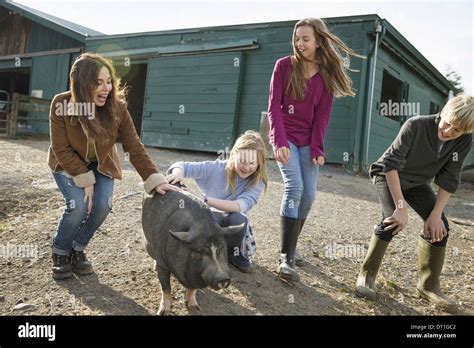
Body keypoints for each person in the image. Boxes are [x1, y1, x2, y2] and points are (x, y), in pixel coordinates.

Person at [48, 53, 178, 280]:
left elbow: (134, 146)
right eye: (98, 83)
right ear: (81, 83)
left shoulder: (117, 108)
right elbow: (61, 147)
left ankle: (77, 249)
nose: (106, 88)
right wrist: (84, 178)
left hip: (102, 164)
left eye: (108, 81)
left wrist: (155, 178)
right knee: (78, 206)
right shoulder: (61, 104)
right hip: (66, 163)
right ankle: (60, 251)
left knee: (102, 206)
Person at [355, 95, 473, 313]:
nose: (448, 131)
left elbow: (449, 177)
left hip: (417, 183)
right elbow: (391, 165)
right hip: (388, 174)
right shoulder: (416, 125)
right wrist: (401, 207)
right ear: (444, 111)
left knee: (440, 229)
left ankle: (428, 286)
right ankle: (367, 275)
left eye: (456, 130)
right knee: (391, 221)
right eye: (447, 123)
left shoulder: (464, 141)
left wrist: (436, 214)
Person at [267, 18, 363, 281]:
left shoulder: (325, 76)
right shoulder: (283, 66)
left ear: (319, 41)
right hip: (286, 138)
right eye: (297, 38)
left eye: (305, 39)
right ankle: (285, 258)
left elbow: (322, 116)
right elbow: (274, 107)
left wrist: (318, 148)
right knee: (294, 188)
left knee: (309, 196)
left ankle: (292, 245)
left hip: (308, 142)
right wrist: (279, 141)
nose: (299, 43)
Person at [166, 130, 268, 273]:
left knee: (238, 219)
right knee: (211, 217)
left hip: (234, 219)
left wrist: (204, 199)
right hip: (210, 216)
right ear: (233, 156)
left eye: (252, 163)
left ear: (259, 163)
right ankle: (204, 255)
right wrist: (177, 174)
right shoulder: (217, 168)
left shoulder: (258, 181)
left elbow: (239, 206)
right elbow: (181, 165)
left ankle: (234, 253)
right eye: (242, 161)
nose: (246, 167)